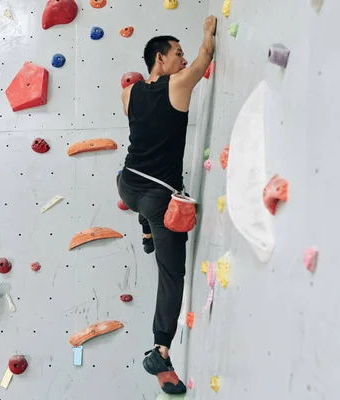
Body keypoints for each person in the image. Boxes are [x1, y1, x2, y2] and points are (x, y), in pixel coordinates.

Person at [116, 16, 217, 395]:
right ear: (160, 58)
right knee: (171, 274)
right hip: (159, 198)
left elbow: (137, 120)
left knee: (127, 183)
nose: (183, 57)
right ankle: (161, 349)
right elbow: (205, 57)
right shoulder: (178, 84)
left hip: (129, 186)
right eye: (177, 52)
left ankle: (144, 227)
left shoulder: (129, 94)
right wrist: (207, 30)